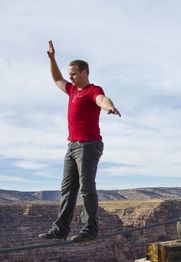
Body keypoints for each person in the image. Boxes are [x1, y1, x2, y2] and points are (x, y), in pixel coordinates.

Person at [39, 40, 121, 241]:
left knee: (86, 188)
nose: (71, 77)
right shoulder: (72, 90)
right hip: (73, 145)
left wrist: (108, 106)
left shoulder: (93, 90)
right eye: (70, 74)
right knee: (67, 189)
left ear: (85, 72)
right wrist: (52, 59)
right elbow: (57, 79)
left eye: (74, 73)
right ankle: (61, 230)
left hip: (89, 144)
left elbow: (102, 98)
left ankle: (90, 228)